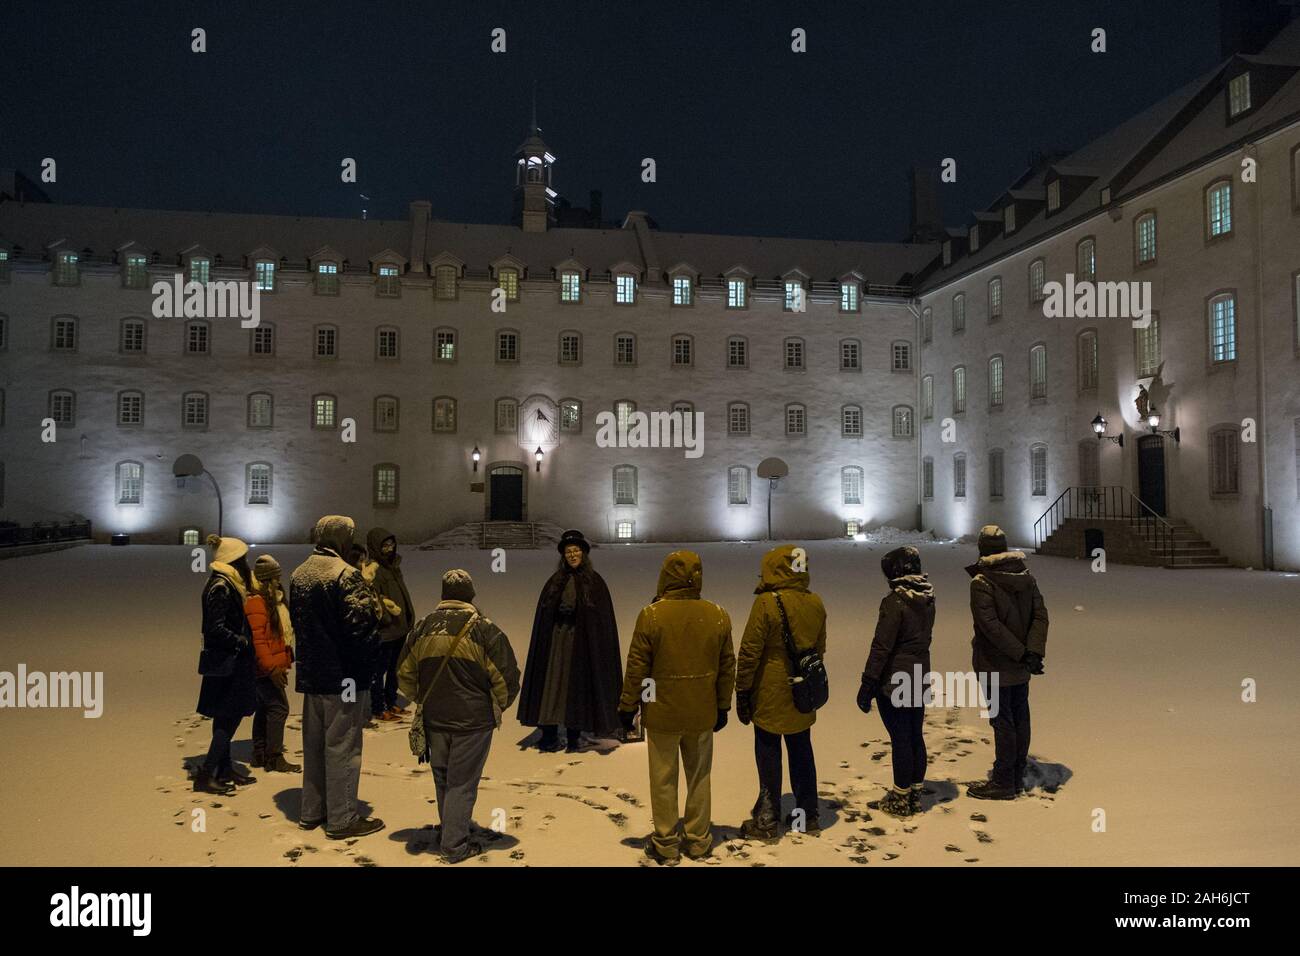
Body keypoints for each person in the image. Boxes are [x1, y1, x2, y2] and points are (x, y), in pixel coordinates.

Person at [618, 551, 735, 865]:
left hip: (663, 712)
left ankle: (667, 842)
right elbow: (727, 667)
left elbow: (637, 667)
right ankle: (698, 840)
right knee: (699, 777)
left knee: (663, 779)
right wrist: (723, 704)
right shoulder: (718, 614)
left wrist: (628, 705)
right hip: (701, 711)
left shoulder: (652, 615)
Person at [398, 569, 520, 864]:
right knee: (462, 784)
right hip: (472, 723)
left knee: (443, 779)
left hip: (435, 720)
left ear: (444, 595)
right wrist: (492, 708)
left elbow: (404, 675)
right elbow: (508, 679)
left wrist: (426, 700)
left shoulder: (424, 627)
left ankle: (449, 831)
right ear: (470, 595)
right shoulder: (484, 629)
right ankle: (455, 845)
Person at [290, 515, 386, 839]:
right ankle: (342, 817)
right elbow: (360, 630)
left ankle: (311, 811)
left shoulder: (300, 574)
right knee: (343, 746)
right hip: (343, 679)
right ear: (342, 540)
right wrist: (366, 673)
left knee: (314, 746)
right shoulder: (345, 575)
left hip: (312, 676)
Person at [734, 544, 828, 840]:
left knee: (768, 751)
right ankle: (806, 814)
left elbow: (750, 652)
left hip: (770, 691)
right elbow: (818, 649)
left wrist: (742, 691)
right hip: (802, 692)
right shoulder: (815, 602)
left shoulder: (766, 603)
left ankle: (767, 817)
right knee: (802, 751)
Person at [517, 529, 623, 752]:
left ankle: (575, 733)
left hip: (582, 646)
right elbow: (545, 615)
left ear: (583, 554)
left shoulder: (595, 583)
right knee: (552, 685)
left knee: (578, 687)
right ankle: (549, 733)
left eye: (576, 551)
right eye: (568, 552)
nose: (573, 555)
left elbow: (601, 621)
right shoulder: (554, 582)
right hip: (556, 644)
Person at [964, 525, 1049, 800]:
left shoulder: (982, 583)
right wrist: (1032, 652)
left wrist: (1023, 654)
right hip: (1021, 665)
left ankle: (1003, 780)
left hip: (995, 665)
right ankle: (1016, 773)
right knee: (1020, 717)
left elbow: (990, 627)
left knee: (1003, 721)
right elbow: (1040, 616)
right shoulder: (1026, 578)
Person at [857, 546, 935, 818]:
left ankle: (901, 797)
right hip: (919, 676)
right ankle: (914, 792)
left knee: (901, 738)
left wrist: (868, 683)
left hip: (895, 680)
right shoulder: (926, 598)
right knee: (914, 734)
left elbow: (882, 646)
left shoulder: (895, 602)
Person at [194, 535, 258, 795]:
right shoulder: (222, 586)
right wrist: (240, 641)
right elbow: (215, 628)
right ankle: (207, 773)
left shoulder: (228, 583)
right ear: (235, 560)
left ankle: (224, 767)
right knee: (228, 718)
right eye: (243, 558)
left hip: (229, 662)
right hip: (228, 663)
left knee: (225, 715)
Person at [246, 554, 301, 773]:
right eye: (274, 578)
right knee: (279, 708)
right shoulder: (256, 602)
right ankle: (273, 757)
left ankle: (260, 752)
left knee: (264, 708)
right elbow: (259, 640)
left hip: (268, 667)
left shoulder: (271, 599)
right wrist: (272, 668)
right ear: (266, 579)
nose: (279, 582)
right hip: (264, 669)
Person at [367, 528, 415, 723]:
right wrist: (386, 620)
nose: (389, 549)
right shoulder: (374, 570)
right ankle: (378, 707)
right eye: (385, 546)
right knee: (379, 671)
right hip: (386, 631)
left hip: (399, 629)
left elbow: (401, 593)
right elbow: (375, 600)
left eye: (391, 544)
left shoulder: (394, 566)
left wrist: (408, 617)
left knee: (395, 669)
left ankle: (391, 700)